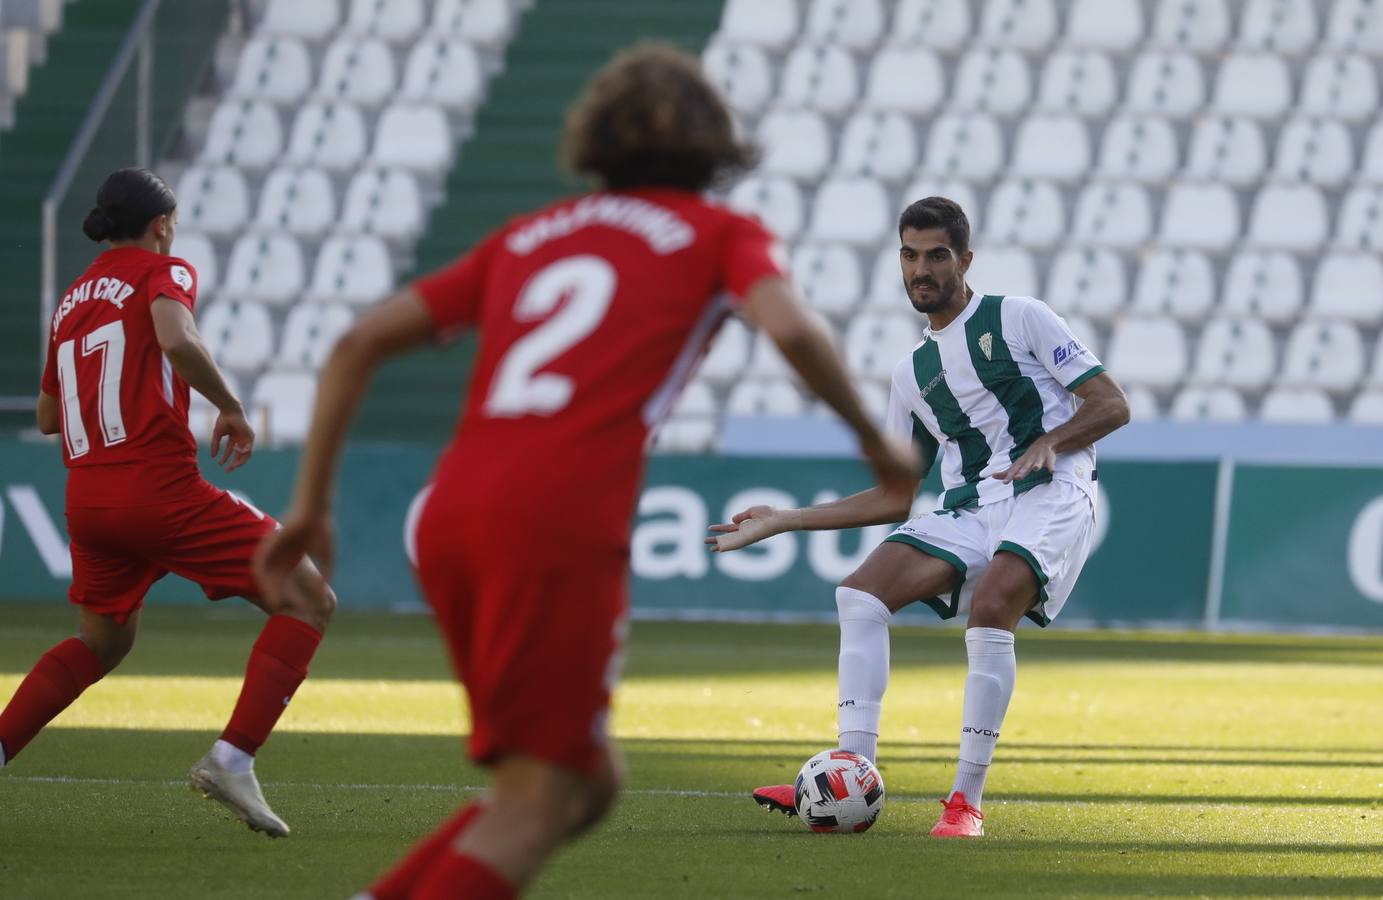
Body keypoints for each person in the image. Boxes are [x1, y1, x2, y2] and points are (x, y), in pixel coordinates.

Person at [255, 43, 916, 900]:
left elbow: (354, 344)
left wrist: (310, 507)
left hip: (451, 508)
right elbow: (790, 329)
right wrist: (871, 437)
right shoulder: (720, 232)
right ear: (713, 145)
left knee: (581, 781)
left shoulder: (528, 235)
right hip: (555, 518)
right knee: (543, 797)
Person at [711, 197, 1131, 838]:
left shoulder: (1019, 318)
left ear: (965, 260)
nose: (922, 270)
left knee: (992, 607)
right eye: (910, 256)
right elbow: (893, 496)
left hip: (1053, 490)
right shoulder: (912, 373)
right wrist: (786, 519)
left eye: (937, 255)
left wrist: (1054, 441)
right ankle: (850, 772)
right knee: (859, 594)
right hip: (971, 508)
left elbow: (1112, 403)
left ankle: (966, 801)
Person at [0, 168, 336, 838]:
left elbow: (45, 414)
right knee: (308, 597)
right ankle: (231, 758)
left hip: (87, 497)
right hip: (155, 489)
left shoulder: (71, 300)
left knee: (100, 642)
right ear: (161, 223)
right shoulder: (165, 270)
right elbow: (177, 338)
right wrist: (232, 407)